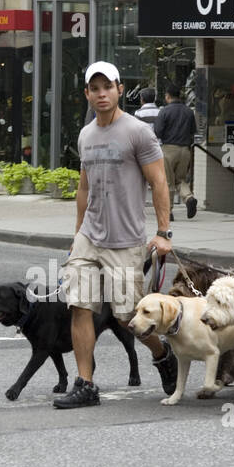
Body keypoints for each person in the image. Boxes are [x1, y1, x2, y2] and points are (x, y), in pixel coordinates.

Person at [54, 61, 178, 409]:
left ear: (120, 89)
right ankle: (86, 384)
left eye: (107, 86)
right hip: (89, 237)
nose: (101, 93)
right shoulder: (85, 134)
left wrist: (163, 232)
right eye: (94, 88)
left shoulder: (138, 131)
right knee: (80, 306)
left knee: (128, 318)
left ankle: (163, 353)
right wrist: (77, 233)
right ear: (87, 94)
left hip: (126, 239)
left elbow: (159, 182)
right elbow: (83, 187)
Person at [155, 84, 198, 218]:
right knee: (180, 180)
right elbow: (193, 131)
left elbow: (158, 131)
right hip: (185, 150)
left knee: (168, 181)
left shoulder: (164, 111)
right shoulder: (189, 111)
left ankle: (168, 212)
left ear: (168, 96)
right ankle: (189, 198)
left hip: (168, 149)